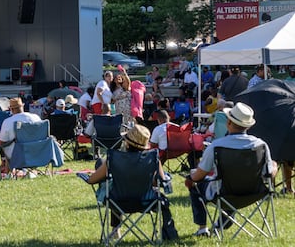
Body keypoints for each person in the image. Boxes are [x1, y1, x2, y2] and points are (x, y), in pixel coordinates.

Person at [184, 102, 277, 237]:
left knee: (195, 185)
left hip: (224, 193)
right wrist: (274, 165)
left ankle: (202, 228)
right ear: (249, 125)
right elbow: (269, 173)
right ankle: (221, 224)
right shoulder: (261, 145)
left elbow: (199, 175)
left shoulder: (216, 146)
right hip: (254, 192)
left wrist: (190, 178)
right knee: (232, 183)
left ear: (228, 123)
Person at [86, 125, 170, 241]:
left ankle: (115, 230)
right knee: (119, 185)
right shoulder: (153, 158)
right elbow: (162, 181)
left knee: (110, 179)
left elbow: (91, 180)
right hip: (146, 202)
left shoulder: (114, 158)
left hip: (117, 201)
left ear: (127, 143)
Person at [0, 97, 42, 161]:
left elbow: (0, 142)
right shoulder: (36, 118)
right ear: (22, 106)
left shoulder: (8, 121)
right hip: (38, 152)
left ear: (11, 109)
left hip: (17, 154)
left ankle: (5, 166)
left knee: (0, 146)